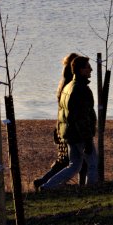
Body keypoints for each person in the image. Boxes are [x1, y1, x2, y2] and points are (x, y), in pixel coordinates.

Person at [39, 55, 98, 190]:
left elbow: (67, 114)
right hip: (79, 134)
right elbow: (81, 116)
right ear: (81, 70)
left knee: (74, 165)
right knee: (93, 163)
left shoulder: (68, 86)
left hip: (70, 133)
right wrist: (88, 139)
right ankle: (93, 189)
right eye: (88, 67)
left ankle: (47, 186)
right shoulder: (81, 89)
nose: (91, 70)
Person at [33, 53, 79, 191]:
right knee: (67, 161)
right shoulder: (71, 85)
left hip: (60, 126)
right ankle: (45, 182)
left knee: (63, 160)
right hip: (66, 127)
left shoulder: (63, 84)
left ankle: (45, 181)